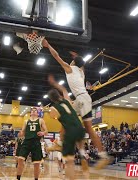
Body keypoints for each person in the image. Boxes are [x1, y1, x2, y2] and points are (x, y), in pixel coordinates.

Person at [43, 39, 112, 169]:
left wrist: (48, 46)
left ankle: (102, 155)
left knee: (86, 127)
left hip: (81, 99)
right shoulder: (81, 72)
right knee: (70, 120)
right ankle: (76, 150)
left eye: (73, 61)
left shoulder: (70, 69)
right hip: (82, 99)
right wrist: (77, 58)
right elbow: (82, 65)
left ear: (74, 63)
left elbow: (56, 56)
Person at [47, 75, 88, 179]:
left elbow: (53, 116)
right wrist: (54, 83)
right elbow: (64, 89)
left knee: (70, 162)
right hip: (80, 128)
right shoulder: (67, 101)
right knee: (80, 144)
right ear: (59, 95)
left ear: (52, 99)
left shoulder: (54, 108)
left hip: (70, 133)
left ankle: (59, 144)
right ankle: (83, 154)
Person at [16, 108, 48, 180]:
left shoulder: (40, 120)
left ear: (37, 113)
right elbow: (23, 132)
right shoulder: (26, 121)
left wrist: (43, 133)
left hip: (36, 143)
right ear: (30, 113)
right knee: (20, 160)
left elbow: (46, 131)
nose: (33, 111)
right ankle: (18, 178)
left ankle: (36, 179)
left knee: (36, 164)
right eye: (32, 111)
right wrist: (20, 134)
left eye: (35, 111)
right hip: (26, 142)